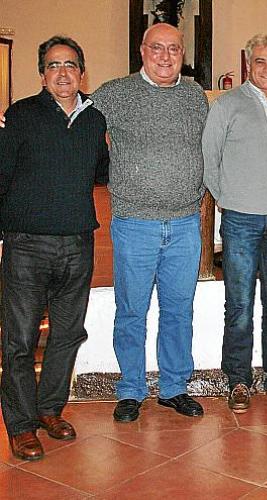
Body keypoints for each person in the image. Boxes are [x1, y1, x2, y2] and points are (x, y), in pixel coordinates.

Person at [91, 23, 208, 422]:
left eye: (173, 49)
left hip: (185, 224)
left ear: (182, 54)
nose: (165, 56)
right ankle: (130, 389)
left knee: (179, 311)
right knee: (131, 311)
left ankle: (174, 387)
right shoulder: (115, 93)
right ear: (142, 51)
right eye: (157, 47)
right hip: (134, 224)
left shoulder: (194, 95)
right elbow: (73, 121)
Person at [0, 36, 109, 460]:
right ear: (42, 74)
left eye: (69, 65)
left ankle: (49, 409)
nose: (62, 73)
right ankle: (21, 425)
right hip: (27, 244)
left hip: (77, 243)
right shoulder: (20, 115)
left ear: (82, 72)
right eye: (53, 65)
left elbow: (101, 171)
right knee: (20, 340)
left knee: (67, 334)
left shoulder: (94, 120)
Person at [203, 34, 267, 412]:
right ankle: (239, 381)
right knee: (240, 304)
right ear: (248, 63)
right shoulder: (227, 105)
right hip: (241, 219)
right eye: (260, 61)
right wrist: (229, 198)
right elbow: (209, 159)